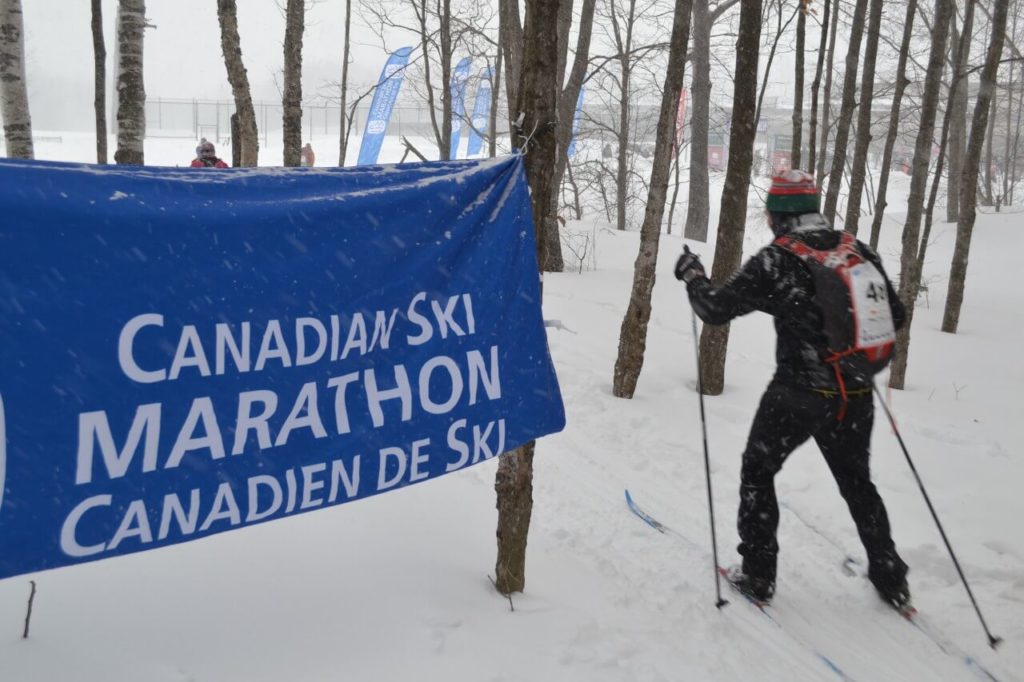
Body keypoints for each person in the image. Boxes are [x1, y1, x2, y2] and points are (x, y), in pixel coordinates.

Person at [674, 169, 910, 610]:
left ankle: (759, 575)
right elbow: (896, 315)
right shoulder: (856, 250)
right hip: (856, 393)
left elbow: (715, 309)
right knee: (858, 483)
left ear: (775, 215)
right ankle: (891, 578)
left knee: (758, 473)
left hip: (799, 393)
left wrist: (693, 276)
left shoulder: (777, 260)